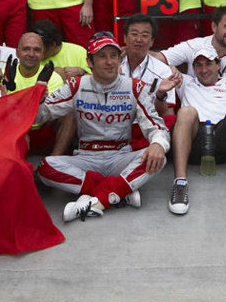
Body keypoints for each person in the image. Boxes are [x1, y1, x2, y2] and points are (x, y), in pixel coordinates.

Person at [35, 34, 169, 222]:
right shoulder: (76, 86)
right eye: (102, 56)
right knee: (45, 167)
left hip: (120, 156)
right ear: (89, 61)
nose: (109, 62)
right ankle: (120, 192)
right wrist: (37, 97)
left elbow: (157, 126)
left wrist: (157, 144)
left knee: (157, 157)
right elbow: (41, 115)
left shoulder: (135, 87)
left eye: (113, 56)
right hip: (86, 157)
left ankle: (97, 202)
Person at [163, 45, 226, 215]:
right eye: (198, 65)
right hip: (194, 141)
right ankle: (180, 182)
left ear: (218, 65)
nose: (203, 70)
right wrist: (172, 69)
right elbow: (158, 62)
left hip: (223, 138)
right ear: (193, 68)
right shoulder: (186, 81)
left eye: (208, 64)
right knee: (187, 112)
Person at [157, 7, 226, 102]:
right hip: (194, 108)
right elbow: (158, 58)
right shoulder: (194, 45)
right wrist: (169, 67)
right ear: (214, 27)